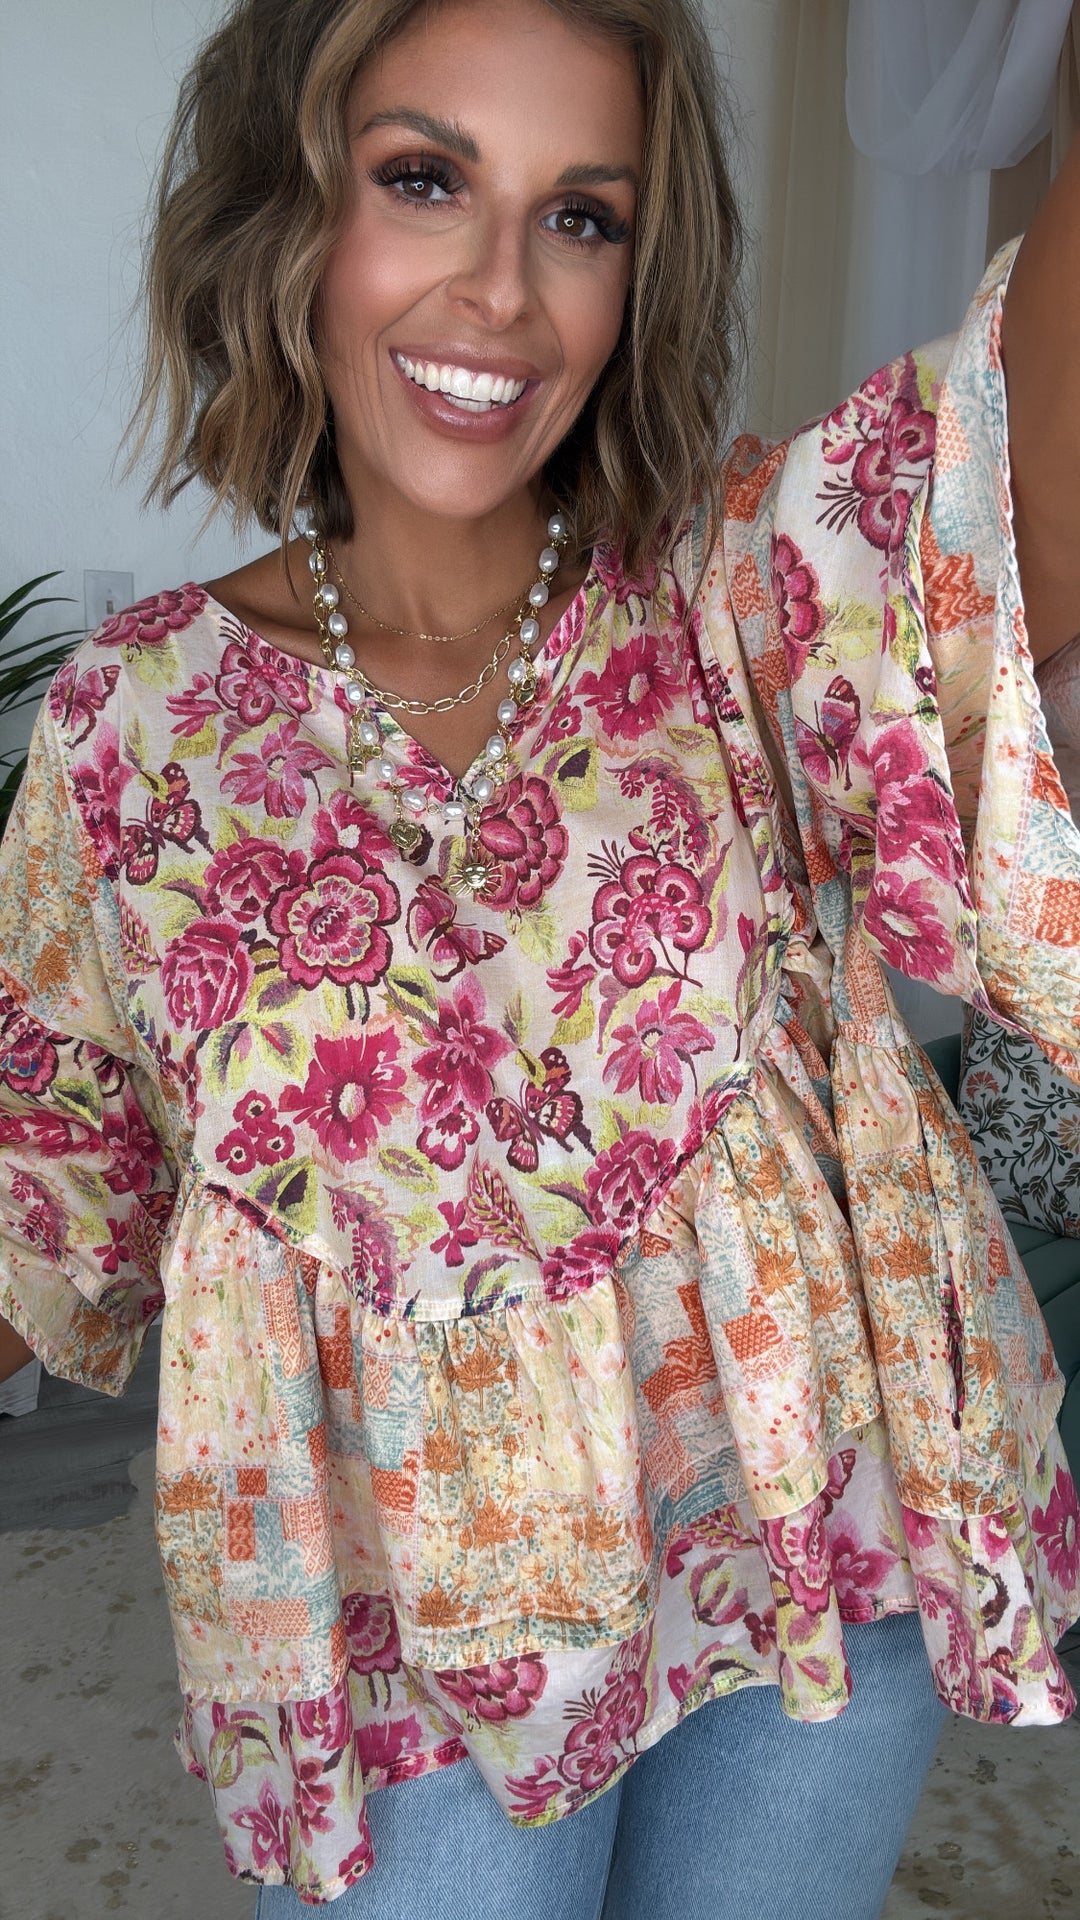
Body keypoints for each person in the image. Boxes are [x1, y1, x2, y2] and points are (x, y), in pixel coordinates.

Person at [1, 0, 1079, 1912]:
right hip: (411, 1650)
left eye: (583, 216)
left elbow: (1011, 489)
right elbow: (47, 1195)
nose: (502, 290)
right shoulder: (127, 735)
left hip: (819, 1547)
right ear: (285, 211)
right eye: (424, 180)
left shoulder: (727, 598)